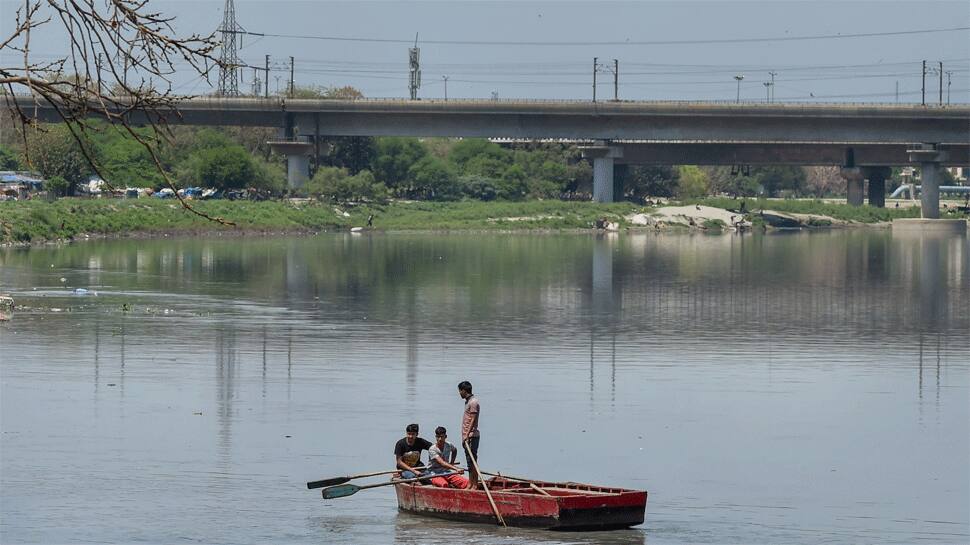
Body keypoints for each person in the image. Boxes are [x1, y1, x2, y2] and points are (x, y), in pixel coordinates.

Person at [458, 380, 481, 489]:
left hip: (471, 436)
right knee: (469, 461)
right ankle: (470, 483)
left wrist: (467, 434)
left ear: (464, 390)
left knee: (472, 461)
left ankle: (474, 485)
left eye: (460, 391)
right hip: (467, 436)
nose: (459, 393)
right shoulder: (468, 401)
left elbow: (473, 419)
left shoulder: (473, 402)